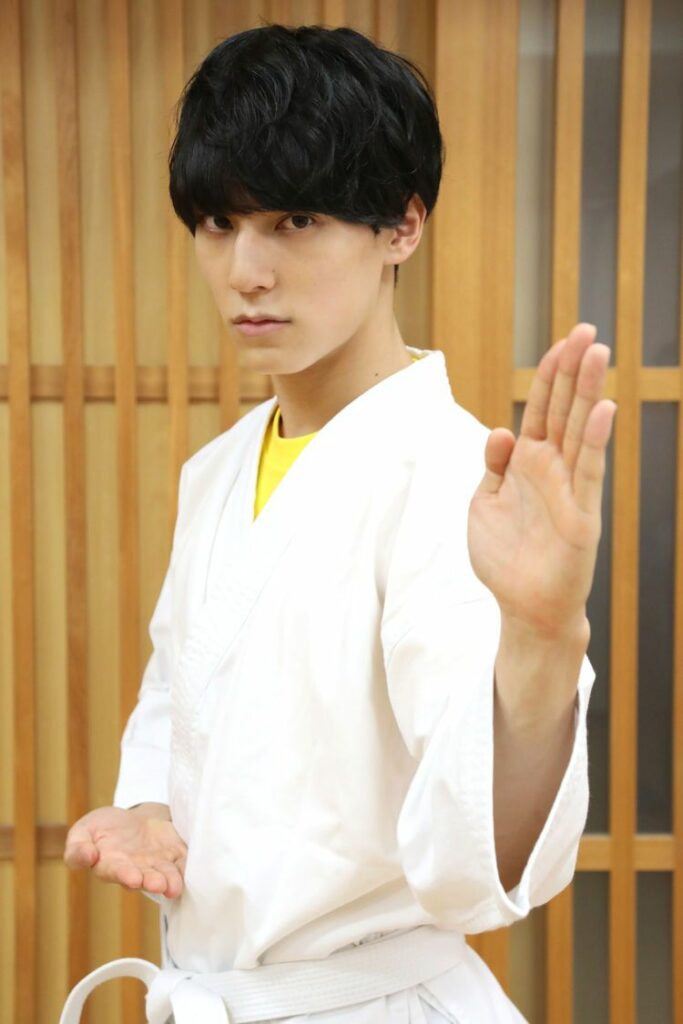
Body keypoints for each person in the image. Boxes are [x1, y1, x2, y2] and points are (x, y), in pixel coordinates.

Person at [60, 23, 616, 1024]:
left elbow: (478, 865)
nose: (245, 270)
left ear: (401, 226)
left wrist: (541, 640)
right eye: (219, 223)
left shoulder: (451, 479)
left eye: (296, 220)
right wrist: (150, 804)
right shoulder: (219, 470)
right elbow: (177, 683)